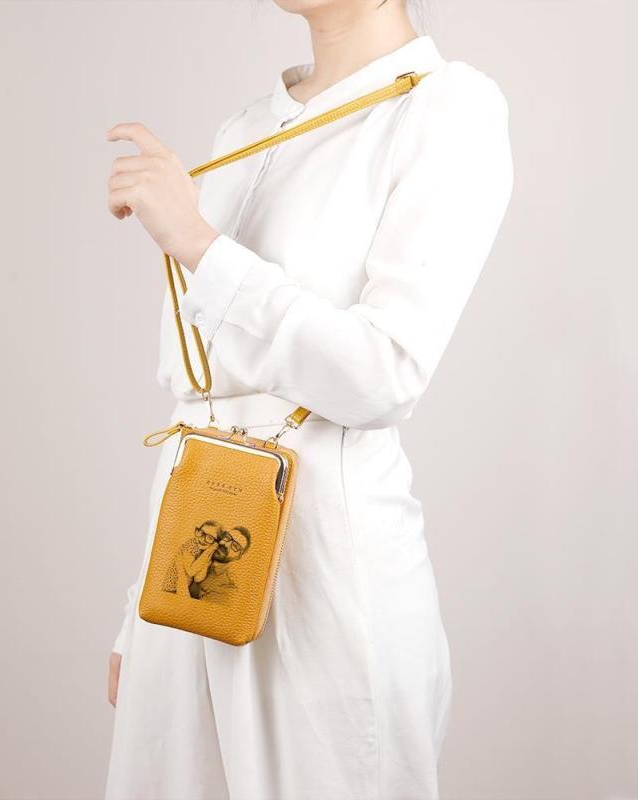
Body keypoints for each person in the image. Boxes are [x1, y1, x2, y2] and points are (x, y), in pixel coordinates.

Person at [103, 0, 514, 796]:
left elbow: (383, 372)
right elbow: (201, 398)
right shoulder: (246, 127)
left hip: (325, 579)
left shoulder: (445, 108)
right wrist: (138, 609)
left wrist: (197, 243)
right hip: (191, 571)